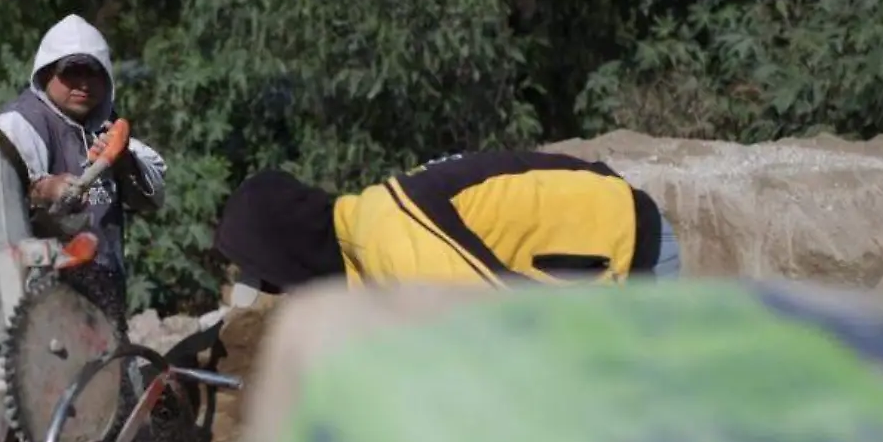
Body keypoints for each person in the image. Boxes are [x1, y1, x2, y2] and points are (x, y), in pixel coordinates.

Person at [214, 150, 680, 294]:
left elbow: (493, 325)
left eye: (277, 282)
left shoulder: (389, 234)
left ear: (291, 252)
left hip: (627, 244)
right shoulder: (365, 247)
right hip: (594, 255)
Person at [0, 15, 167, 323]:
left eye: (93, 73)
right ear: (47, 72)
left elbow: (153, 197)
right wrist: (46, 189)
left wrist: (124, 160)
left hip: (103, 291)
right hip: (40, 298)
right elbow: (0, 199)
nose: (84, 84)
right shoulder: (21, 123)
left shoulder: (108, 127)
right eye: (72, 72)